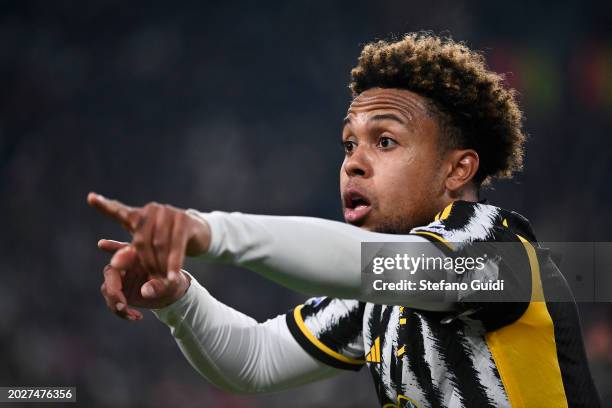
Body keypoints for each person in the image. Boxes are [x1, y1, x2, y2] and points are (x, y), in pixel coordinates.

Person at [89, 33, 600, 407]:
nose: (353, 161)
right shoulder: (380, 294)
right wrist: (179, 298)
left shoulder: (495, 247)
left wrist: (212, 231)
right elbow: (256, 359)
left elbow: (375, 265)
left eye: (385, 141)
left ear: (457, 168)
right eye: (349, 144)